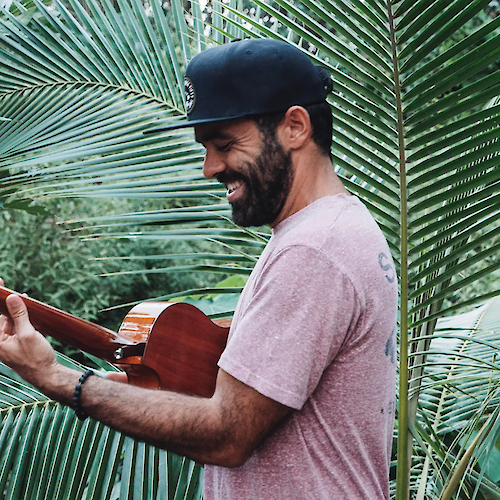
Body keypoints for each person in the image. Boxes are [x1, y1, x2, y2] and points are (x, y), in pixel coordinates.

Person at [0, 39, 398, 499]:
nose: (210, 168)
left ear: (294, 126)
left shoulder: (314, 250)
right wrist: (138, 392)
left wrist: (59, 379)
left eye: (225, 144)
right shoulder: (338, 227)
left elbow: (228, 433)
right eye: (206, 148)